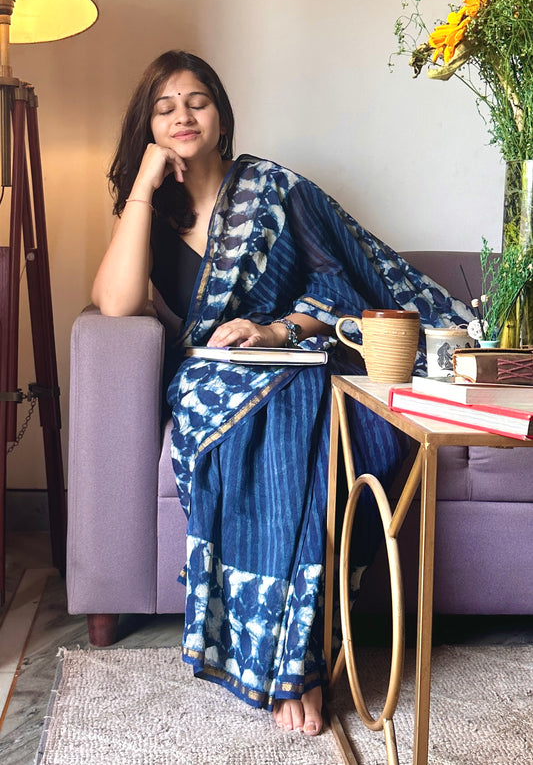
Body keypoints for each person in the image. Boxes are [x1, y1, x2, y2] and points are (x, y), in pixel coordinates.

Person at [92, 50, 472, 735]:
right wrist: (144, 186)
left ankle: (295, 665)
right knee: (251, 428)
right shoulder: (154, 210)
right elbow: (115, 305)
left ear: (221, 111)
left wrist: (272, 327)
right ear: (146, 123)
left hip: (295, 359)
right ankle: (286, 660)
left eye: (197, 100)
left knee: (316, 426)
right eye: (165, 106)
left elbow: (337, 287)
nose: (183, 116)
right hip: (211, 375)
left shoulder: (271, 190)